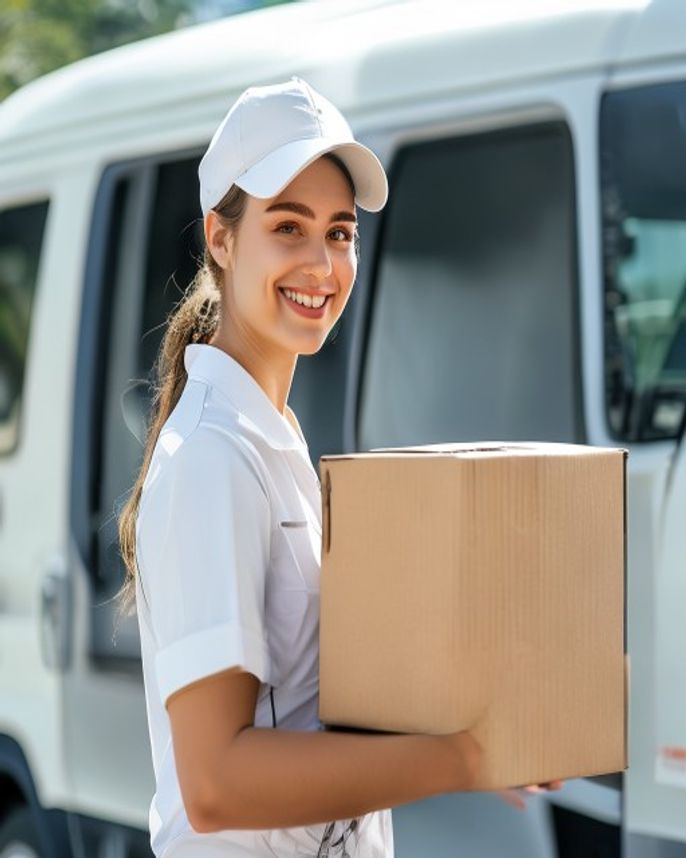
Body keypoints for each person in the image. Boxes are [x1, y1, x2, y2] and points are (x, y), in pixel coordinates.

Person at [115, 76, 560, 858]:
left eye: (341, 232)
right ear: (220, 237)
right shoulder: (210, 460)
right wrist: (459, 757)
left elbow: (313, 709)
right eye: (288, 227)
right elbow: (217, 784)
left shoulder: (272, 437)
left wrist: (469, 723)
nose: (322, 263)